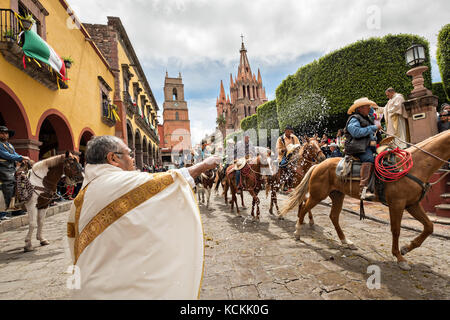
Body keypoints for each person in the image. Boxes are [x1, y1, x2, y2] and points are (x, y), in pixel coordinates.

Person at [67, 135, 221, 299]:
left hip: (91, 287)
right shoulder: (115, 183)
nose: (132, 158)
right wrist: (206, 164)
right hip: (117, 291)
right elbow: (169, 181)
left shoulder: (81, 198)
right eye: (128, 154)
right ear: (113, 158)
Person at [344, 98, 382, 201]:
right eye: (367, 106)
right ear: (360, 108)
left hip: (367, 147)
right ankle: (363, 189)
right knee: (369, 159)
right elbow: (356, 132)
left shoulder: (368, 119)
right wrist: (374, 127)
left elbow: (371, 137)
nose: (369, 108)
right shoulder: (354, 118)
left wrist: (378, 135)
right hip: (357, 147)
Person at [0, 126, 30, 220]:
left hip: (11, 168)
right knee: (8, 185)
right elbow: (6, 155)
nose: (4, 134)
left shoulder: (9, 145)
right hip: (2, 168)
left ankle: (16, 208)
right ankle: (3, 212)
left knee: (19, 183)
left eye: (6, 133)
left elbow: (14, 154)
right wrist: (21, 158)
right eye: (1, 133)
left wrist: (22, 159)